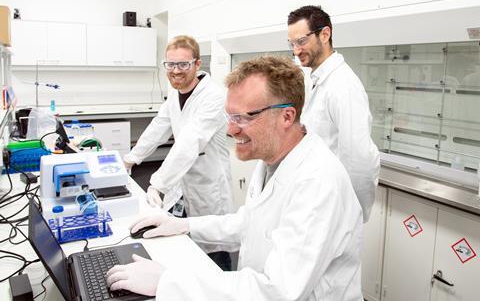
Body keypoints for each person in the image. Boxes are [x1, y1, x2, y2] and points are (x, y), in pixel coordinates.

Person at [107, 56, 363, 300]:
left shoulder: (317, 182)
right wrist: (184, 226)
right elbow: (250, 223)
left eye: (243, 117)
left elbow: (278, 291)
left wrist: (168, 283)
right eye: (229, 116)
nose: (230, 129)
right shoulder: (273, 161)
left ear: (287, 116)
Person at [123, 35, 234, 269]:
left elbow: (189, 142)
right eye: (170, 64)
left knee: (212, 255)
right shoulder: (176, 94)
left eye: (183, 64)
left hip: (208, 187)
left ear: (197, 64)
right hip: (182, 187)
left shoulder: (214, 96)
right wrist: (131, 158)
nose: (175, 70)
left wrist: (158, 184)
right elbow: (158, 127)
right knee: (182, 249)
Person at [287, 5, 380, 222]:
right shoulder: (316, 79)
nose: (296, 50)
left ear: (325, 34)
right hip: (315, 199)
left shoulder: (344, 86)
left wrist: (353, 214)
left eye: (301, 41)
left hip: (334, 208)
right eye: (292, 43)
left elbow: (359, 160)